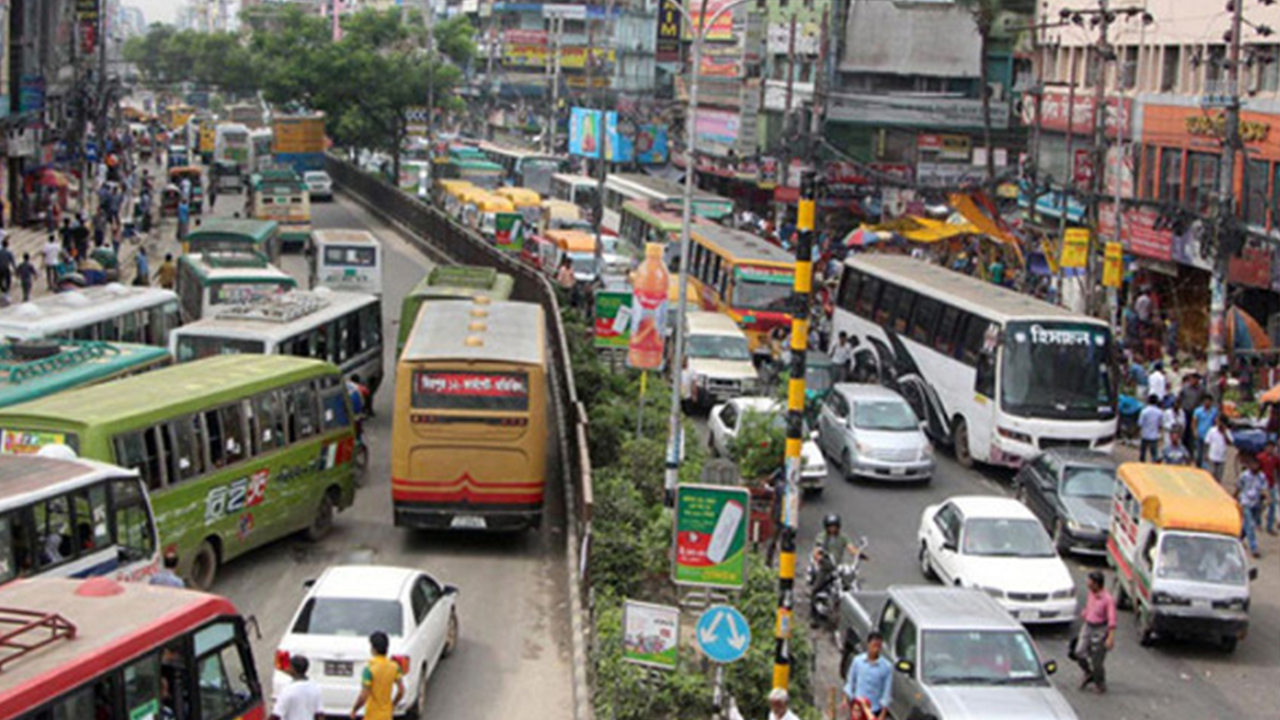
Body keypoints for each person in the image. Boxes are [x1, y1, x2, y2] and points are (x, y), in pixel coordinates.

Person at [810, 514, 860, 625]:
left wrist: (858, 554)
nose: (833, 529)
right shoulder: (822, 537)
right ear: (826, 527)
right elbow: (817, 548)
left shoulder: (843, 537)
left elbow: (850, 547)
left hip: (838, 568)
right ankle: (814, 616)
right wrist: (818, 555)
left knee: (847, 583)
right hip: (825, 568)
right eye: (830, 526)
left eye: (835, 526)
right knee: (816, 590)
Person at [1073, 570, 1116, 693]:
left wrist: (1110, 637)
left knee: (1097, 660)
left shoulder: (1107, 599)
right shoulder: (1091, 594)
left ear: (1097, 584)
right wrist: (1086, 613)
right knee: (1079, 651)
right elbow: (1089, 607)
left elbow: (1112, 620)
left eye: (1090, 582)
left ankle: (1099, 681)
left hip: (1100, 628)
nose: (1088, 584)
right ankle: (1088, 672)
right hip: (1088, 626)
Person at [350, 630, 404, 720]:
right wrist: (393, 705)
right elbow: (401, 690)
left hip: (372, 716)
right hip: (387, 716)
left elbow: (364, 695)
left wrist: (354, 709)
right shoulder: (394, 667)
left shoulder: (369, 669)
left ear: (373, 649)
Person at [843, 631, 892, 720]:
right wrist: (846, 699)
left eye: (879, 647)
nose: (876, 649)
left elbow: (886, 693)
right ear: (868, 645)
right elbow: (850, 682)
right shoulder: (857, 661)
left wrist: (883, 713)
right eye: (874, 646)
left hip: (874, 710)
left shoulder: (886, 667)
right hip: (857, 708)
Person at [270, 654, 323, 720]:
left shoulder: (288, 690)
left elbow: (276, 715)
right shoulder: (315, 688)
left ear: (292, 669)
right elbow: (319, 714)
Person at [1237, 454, 1267, 559]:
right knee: (1250, 524)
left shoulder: (1261, 476)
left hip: (1256, 503)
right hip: (1246, 502)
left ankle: (1238, 538)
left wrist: (1266, 498)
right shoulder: (1244, 476)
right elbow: (1239, 487)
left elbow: (1264, 489)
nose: (1254, 466)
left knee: (1248, 524)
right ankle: (1254, 547)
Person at [1258, 440, 1279, 535]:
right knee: (1259, 504)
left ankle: (1269, 526)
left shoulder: (1275, 459)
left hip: (1271, 483)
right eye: (1269, 447)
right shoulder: (1261, 457)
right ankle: (1258, 523)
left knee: (1272, 505)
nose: (1270, 449)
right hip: (1261, 484)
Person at [1205, 415, 1233, 483]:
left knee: (1219, 478)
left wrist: (1224, 433)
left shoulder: (1227, 432)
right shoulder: (1212, 430)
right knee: (1211, 477)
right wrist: (1206, 453)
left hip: (1221, 458)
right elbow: (1207, 442)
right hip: (1212, 457)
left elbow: (1230, 443)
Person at [1192, 396, 1218, 467]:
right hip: (1200, 434)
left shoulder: (1214, 411)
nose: (1207, 403)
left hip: (1209, 435)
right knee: (1198, 452)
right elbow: (1194, 422)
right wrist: (1195, 431)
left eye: (1209, 402)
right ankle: (1198, 464)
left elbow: (1215, 422)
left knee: (1206, 452)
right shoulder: (1198, 411)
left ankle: (1205, 467)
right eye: (1206, 401)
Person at [1138, 394, 1163, 462]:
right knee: (1154, 455)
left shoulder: (1144, 411)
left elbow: (1140, 423)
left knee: (1142, 454)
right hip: (1154, 436)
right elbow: (1160, 424)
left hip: (1145, 435)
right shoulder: (1159, 412)